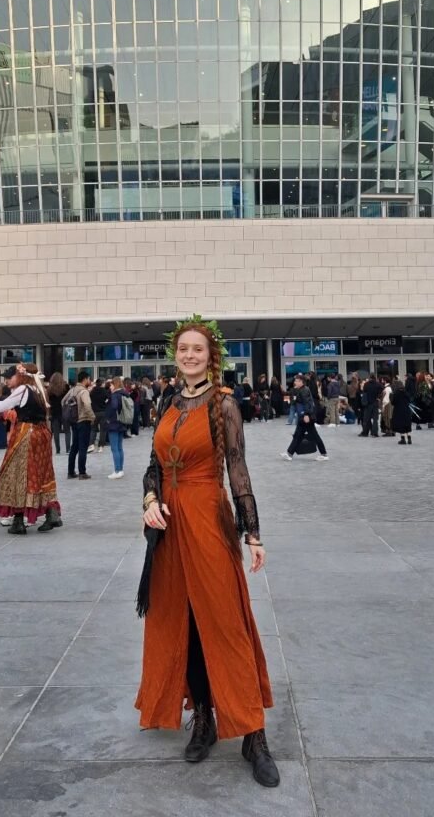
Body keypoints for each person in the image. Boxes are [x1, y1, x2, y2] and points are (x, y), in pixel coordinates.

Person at [136, 316, 279, 788]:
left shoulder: (223, 404)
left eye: (198, 349)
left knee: (225, 621)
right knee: (185, 621)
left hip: (207, 517)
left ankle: (253, 734)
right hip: (169, 525)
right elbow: (154, 465)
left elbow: (237, 468)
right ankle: (204, 717)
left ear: (211, 356)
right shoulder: (167, 400)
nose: (190, 356)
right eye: (184, 350)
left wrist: (252, 532)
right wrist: (151, 500)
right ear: (175, 356)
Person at [0, 364, 62, 535]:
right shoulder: (39, 389)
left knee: (18, 474)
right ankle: (52, 513)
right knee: (42, 474)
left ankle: (19, 520)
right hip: (42, 434)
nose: (7, 381)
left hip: (27, 434)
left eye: (10, 377)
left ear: (21, 376)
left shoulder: (23, 389)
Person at [280, 375, 328, 461]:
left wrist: (306, 415)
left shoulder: (304, 390)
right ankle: (289, 453)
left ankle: (324, 454)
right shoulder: (300, 390)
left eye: (297, 381)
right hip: (303, 417)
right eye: (295, 381)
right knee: (298, 436)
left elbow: (307, 403)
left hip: (306, 417)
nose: (295, 382)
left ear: (301, 382)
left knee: (314, 436)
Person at [65, 371, 95, 479]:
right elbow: (87, 405)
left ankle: (71, 471)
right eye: (89, 379)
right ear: (85, 379)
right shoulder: (84, 391)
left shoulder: (72, 390)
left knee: (74, 447)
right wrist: (92, 417)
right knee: (83, 447)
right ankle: (82, 472)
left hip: (74, 421)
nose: (90, 381)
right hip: (83, 420)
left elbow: (63, 401)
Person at [103, 375, 129, 479]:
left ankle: (117, 470)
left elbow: (113, 406)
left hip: (113, 423)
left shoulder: (114, 395)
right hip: (122, 422)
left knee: (114, 448)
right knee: (119, 447)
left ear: (115, 384)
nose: (110, 387)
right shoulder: (124, 394)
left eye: (111, 385)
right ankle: (121, 469)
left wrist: (108, 417)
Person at [48, 372, 69, 454]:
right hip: (64, 411)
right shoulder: (66, 387)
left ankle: (58, 449)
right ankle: (68, 448)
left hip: (54, 412)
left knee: (56, 432)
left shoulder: (49, 389)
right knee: (67, 431)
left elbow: (48, 401)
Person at [359, 373, 381, 437]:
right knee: (375, 419)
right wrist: (378, 397)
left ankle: (365, 432)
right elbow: (382, 390)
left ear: (370, 378)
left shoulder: (366, 384)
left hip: (368, 404)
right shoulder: (378, 384)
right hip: (375, 403)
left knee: (366, 419)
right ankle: (375, 433)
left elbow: (364, 392)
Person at [391, 380, 412, 445]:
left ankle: (403, 439)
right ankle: (409, 438)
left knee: (401, 425)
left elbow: (393, 402)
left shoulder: (396, 393)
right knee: (407, 424)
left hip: (399, 410)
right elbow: (409, 400)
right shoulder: (406, 392)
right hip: (407, 410)